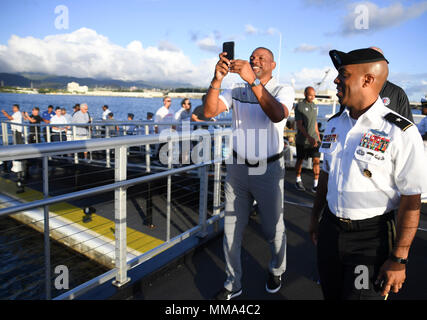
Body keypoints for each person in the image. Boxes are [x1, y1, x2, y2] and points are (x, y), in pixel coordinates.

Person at [309, 48, 427, 300]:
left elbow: (411, 199)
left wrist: (399, 258)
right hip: (330, 230)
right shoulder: (333, 124)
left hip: (370, 240)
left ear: (367, 80)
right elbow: (326, 176)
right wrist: (315, 217)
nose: (336, 80)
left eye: (343, 74)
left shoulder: (400, 132)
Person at [204, 47, 295, 300]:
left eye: (261, 58)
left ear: (273, 65)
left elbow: (277, 114)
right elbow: (209, 112)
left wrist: (253, 81)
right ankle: (233, 283)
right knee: (231, 228)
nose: (255, 60)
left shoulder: (283, 90)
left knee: (273, 227)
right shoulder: (236, 90)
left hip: (268, 168)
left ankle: (277, 267)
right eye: (252, 57)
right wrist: (217, 79)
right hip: (237, 168)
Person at [294, 86, 322, 192]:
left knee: (316, 161)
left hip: (314, 140)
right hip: (303, 140)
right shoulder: (299, 106)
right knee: (300, 160)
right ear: (305, 94)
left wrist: (318, 138)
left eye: (314, 95)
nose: (312, 97)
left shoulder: (314, 106)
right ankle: (298, 180)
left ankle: (316, 184)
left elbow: (314, 123)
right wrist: (309, 137)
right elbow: (299, 125)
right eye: (310, 95)